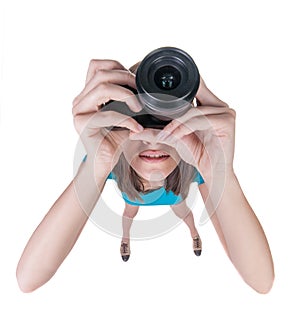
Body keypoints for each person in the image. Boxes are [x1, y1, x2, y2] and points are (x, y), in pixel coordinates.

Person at [16, 58, 274, 294]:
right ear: (115, 126)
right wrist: (98, 163)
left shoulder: (196, 163)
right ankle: (127, 238)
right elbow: (28, 279)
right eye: (137, 122)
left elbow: (261, 281)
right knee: (130, 213)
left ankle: (194, 234)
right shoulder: (111, 159)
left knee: (183, 213)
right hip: (135, 196)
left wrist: (220, 172)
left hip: (174, 197)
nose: (153, 141)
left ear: (194, 127)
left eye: (167, 123)